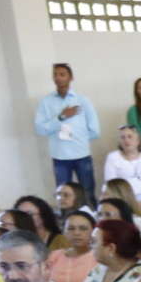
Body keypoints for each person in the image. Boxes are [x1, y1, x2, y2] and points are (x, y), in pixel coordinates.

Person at [37, 63, 99, 196]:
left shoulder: (83, 100)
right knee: (63, 194)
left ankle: (90, 216)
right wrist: (61, 117)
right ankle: (67, 217)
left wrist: (79, 139)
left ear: (71, 77)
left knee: (87, 191)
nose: (58, 78)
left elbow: (94, 130)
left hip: (82, 154)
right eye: (55, 74)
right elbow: (41, 129)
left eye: (62, 74)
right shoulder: (46, 102)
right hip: (59, 156)